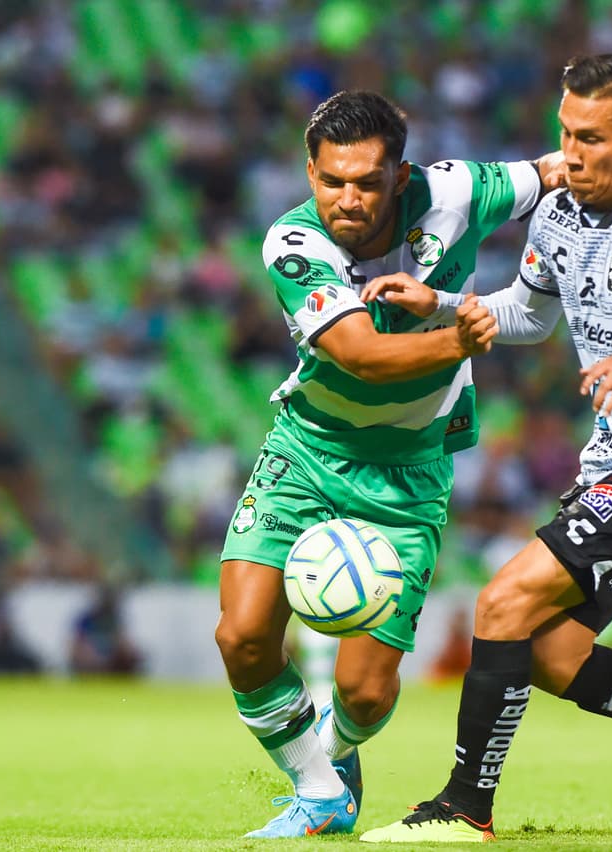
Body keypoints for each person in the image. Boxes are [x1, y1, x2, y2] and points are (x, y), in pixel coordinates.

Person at [357, 54, 612, 844]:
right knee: (549, 651)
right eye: (564, 133)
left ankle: (463, 809)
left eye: (592, 138)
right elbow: (532, 314)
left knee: (502, 603)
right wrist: (448, 305)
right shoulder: (556, 214)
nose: (572, 154)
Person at [213, 90, 563, 838]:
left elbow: (561, 167)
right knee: (241, 636)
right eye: (331, 179)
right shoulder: (292, 243)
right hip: (307, 451)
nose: (346, 198)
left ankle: (334, 757)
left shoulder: (460, 192)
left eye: (367, 182)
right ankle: (319, 789)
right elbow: (364, 357)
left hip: (407, 472)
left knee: (365, 695)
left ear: (399, 176)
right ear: (310, 171)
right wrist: (462, 335)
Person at [68, 584, 143, 676]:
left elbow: (123, 641)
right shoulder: (86, 619)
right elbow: (77, 643)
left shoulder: (114, 619)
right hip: (90, 658)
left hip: (111, 658)